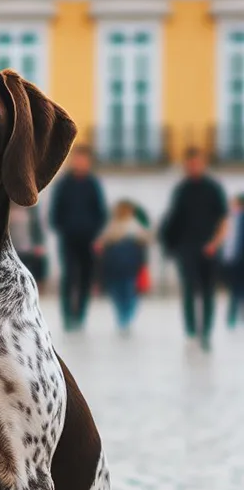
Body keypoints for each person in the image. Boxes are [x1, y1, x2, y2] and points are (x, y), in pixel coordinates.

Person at [160, 148, 228, 350]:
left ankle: (205, 331)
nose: (193, 167)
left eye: (196, 163)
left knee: (208, 292)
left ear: (203, 163)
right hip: (186, 247)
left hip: (209, 248)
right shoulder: (182, 190)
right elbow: (174, 218)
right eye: (189, 164)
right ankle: (191, 331)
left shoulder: (213, 188)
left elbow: (224, 219)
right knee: (189, 289)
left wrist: (215, 243)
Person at [49, 144, 108, 330]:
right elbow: (55, 212)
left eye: (84, 160)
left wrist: (95, 233)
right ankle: (67, 315)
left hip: (88, 240)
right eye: (78, 159)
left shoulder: (93, 184)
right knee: (69, 276)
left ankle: (80, 315)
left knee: (85, 277)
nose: (81, 163)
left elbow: (100, 212)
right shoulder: (64, 184)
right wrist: (63, 228)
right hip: (68, 238)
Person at [94, 200, 150, 335]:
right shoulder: (112, 226)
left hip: (127, 267)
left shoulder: (134, 226)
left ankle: (125, 318)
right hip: (117, 267)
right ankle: (124, 318)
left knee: (126, 293)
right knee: (121, 294)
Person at [9, 201, 48, 288]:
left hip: (29, 249)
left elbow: (37, 227)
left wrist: (39, 244)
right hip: (13, 250)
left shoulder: (31, 210)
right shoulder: (6, 210)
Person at [223, 194, 244, 328]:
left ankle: (234, 317)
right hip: (233, 260)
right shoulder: (231, 218)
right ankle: (232, 318)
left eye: (234, 203)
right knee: (235, 290)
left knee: (237, 291)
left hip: (240, 260)